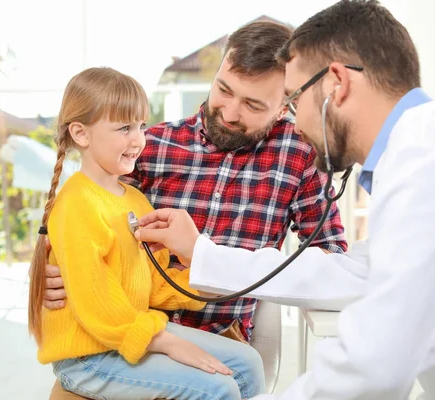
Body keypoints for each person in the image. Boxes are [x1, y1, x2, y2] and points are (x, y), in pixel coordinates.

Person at [133, 1, 435, 399]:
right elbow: (351, 275)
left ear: (336, 84)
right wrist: (205, 255)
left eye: (295, 98)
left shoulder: (430, 159)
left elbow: (376, 362)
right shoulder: (431, 148)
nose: (295, 121)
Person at [41, 21, 348, 345]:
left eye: (253, 105)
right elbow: (78, 227)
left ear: (286, 105)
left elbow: (331, 260)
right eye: (224, 90)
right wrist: (51, 273)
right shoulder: (149, 146)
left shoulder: (300, 155)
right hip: (131, 336)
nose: (230, 112)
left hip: (222, 339)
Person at [28, 66, 265, 400]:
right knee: (218, 387)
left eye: (141, 125)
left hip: (129, 333)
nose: (138, 139)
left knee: (248, 363)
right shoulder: (77, 204)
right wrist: (169, 343)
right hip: (89, 357)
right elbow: (99, 308)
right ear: (81, 134)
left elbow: (155, 284)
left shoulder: (136, 200)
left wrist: (211, 284)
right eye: (124, 128)